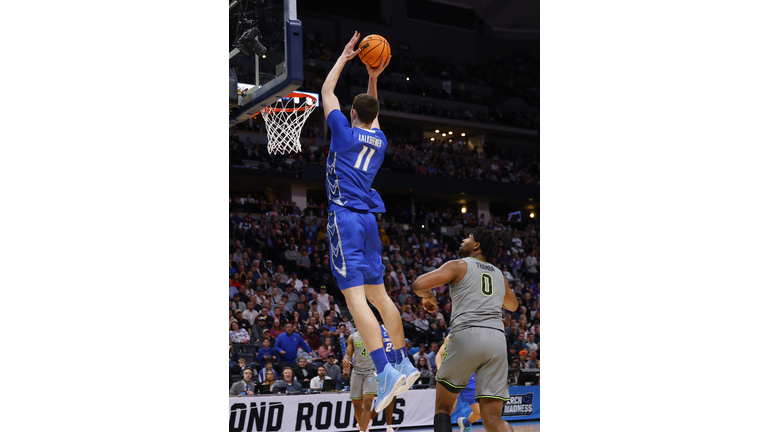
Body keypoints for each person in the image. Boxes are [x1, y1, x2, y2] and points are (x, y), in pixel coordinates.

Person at [322, 31, 417, 414]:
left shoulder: (343, 134)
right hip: (369, 223)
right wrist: (373, 75)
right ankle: (403, 362)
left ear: (351, 115)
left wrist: (346, 56)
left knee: (355, 298)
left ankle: (384, 371)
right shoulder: (379, 140)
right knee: (380, 296)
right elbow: (371, 110)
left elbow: (326, 91)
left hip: (345, 218)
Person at [412, 228, 518, 432]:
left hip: (466, 335)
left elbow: (419, 284)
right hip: (496, 341)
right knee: (493, 417)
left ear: (476, 245)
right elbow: (512, 305)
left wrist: (429, 296)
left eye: (468, 237)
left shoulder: (459, 265)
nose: (463, 240)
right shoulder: (499, 274)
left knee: (443, 407)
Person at [344, 326, 396, 432]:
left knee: (368, 403)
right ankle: (364, 428)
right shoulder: (352, 337)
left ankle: (364, 429)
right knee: (357, 405)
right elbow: (348, 354)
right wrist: (346, 360)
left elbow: (381, 353)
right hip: (357, 372)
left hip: (372, 372)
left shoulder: (376, 336)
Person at [436, 334, 481, 432]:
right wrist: (439, 369)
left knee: (478, 413)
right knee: (449, 408)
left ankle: (465, 423)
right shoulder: (452, 336)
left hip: (470, 377)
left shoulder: (478, 337)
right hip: (451, 376)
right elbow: (439, 354)